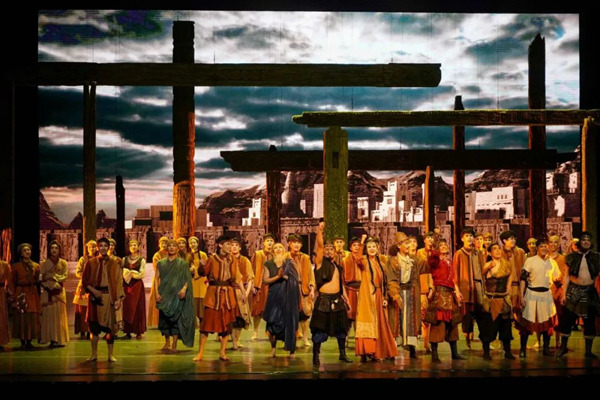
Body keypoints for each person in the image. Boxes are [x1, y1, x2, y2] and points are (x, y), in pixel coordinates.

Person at [194, 234, 245, 362]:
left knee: (226, 325)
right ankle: (200, 353)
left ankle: (222, 353)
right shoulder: (212, 259)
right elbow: (203, 273)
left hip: (228, 294)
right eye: (227, 244)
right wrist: (201, 266)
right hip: (213, 294)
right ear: (220, 245)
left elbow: (236, 277)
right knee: (206, 325)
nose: (230, 246)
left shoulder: (232, 260)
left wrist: (242, 291)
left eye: (231, 244)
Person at [310, 227, 352, 365]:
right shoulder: (320, 263)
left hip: (337, 300)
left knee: (341, 328)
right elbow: (320, 246)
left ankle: (342, 353)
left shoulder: (338, 267)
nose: (328, 251)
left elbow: (341, 286)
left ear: (335, 252)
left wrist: (347, 300)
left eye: (331, 249)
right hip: (323, 301)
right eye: (326, 249)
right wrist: (319, 232)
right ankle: (316, 355)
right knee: (319, 329)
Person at [557, 231, 600, 358]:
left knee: (589, 321)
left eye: (588, 240)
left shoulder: (596, 257)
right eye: (583, 240)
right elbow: (566, 276)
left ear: (591, 242)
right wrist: (564, 294)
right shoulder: (571, 257)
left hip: (589, 292)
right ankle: (563, 347)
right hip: (574, 291)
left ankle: (588, 351)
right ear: (579, 242)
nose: (586, 242)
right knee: (567, 320)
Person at [355, 237, 398, 362]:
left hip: (379, 295)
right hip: (367, 296)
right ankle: (366, 351)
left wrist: (385, 297)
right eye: (369, 247)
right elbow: (357, 259)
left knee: (381, 323)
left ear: (378, 248)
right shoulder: (364, 261)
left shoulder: (382, 264)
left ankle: (379, 351)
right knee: (367, 321)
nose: (372, 249)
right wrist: (362, 242)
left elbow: (384, 282)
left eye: (374, 246)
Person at [82, 237, 124, 362]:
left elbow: (118, 281)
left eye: (106, 246)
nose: (103, 248)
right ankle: (94, 354)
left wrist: (119, 299)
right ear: (97, 248)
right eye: (101, 246)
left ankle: (110, 354)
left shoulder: (114, 263)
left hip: (109, 297)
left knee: (110, 328)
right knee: (94, 328)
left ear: (109, 247)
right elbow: (85, 281)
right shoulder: (91, 263)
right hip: (95, 298)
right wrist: (94, 291)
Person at [387, 232, 428, 359]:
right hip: (399, 292)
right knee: (396, 321)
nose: (409, 245)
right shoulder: (393, 261)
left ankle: (412, 348)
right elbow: (391, 279)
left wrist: (431, 251)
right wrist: (395, 295)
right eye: (406, 243)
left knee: (411, 320)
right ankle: (392, 350)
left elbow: (426, 267)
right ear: (399, 246)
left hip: (411, 293)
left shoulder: (414, 260)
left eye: (409, 243)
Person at [423, 240, 463, 362]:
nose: (444, 247)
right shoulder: (435, 261)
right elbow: (431, 260)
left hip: (450, 294)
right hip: (440, 294)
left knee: (453, 324)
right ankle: (435, 355)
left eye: (445, 245)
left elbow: (454, 279)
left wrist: (457, 291)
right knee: (438, 325)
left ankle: (454, 353)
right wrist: (435, 249)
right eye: (441, 245)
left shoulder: (450, 262)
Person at [519, 237, 559, 358]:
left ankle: (546, 348)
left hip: (546, 294)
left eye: (545, 246)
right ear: (537, 248)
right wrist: (521, 296)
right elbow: (523, 278)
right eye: (541, 246)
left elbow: (557, 278)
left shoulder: (552, 262)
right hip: (532, 293)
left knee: (547, 323)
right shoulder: (530, 261)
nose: (544, 248)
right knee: (527, 323)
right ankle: (522, 349)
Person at [155, 239, 195, 353]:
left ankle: (174, 344)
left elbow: (187, 279)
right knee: (164, 320)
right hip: (164, 294)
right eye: (169, 246)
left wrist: (184, 289)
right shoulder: (161, 263)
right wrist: (157, 292)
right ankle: (167, 342)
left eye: (174, 246)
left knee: (176, 320)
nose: (172, 247)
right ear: (166, 249)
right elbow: (156, 278)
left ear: (177, 249)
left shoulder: (182, 263)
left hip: (177, 295)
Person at [262, 242, 300, 358]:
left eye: (280, 247)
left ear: (284, 250)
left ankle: (292, 350)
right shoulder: (268, 263)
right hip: (274, 296)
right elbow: (265, 281)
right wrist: (277, 277)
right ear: (272, 251)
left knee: (289, 322)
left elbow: (296, 279)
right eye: (275, 248)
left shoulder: (289, 262)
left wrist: (284, 277)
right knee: (272, 323)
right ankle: (273, 349)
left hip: (288, 297)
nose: (278, 249)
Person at [479, 243, 514, 360]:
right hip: (491, 299)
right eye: (494, 249)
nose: (498, 251)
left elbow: (510, 275)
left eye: (499, 248)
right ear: (489, 252)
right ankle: (486, 351)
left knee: (506, 326)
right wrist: (487, 268)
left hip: (503, 298)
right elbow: (481, 276)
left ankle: (507, 351)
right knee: (489, 327)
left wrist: (508, 288)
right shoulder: (488, 264)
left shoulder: (507, 264)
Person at [453, 228, 484, 351]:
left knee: (480, 315)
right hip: (465, 289)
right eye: (467, 236)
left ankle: (482, 341)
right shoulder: (459, 254)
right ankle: (467, 341)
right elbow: (455, 273)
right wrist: (457, 290)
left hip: (478, 288)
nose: (469, 238)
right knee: (466, 316)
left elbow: (482, 270)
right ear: (462, 238)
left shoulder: (478, 253)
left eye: (471, 236)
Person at [9, 243, 41, 349]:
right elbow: (12, 281)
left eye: (29, 250)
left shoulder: (36, 266)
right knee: (22, 316)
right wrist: (12, 294)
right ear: (21, 253)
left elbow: (38, 279)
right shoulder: (16, 266)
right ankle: (22, 340)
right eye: (25, 250)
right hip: (20, 292)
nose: (27, 252)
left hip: (32, 292)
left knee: (31, 316)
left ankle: (30, 340)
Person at [39, 240, 69, 348]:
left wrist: (54, 277)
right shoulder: (44, 263)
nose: (54, 250)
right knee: (49, 316)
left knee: (59, 316)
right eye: (52, 248)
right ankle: (51, 338)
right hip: (48, 291)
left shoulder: (63, 263)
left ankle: (60, 339)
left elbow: (64, 276)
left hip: (59, 291)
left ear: (59, 250)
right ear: (49, 250)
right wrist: (49, 284)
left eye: (56, 248)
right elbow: (41, 277)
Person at [287, 234, 315, 347]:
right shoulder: (285, 257)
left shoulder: (305, 258)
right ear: (289, 244)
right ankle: (291, 338)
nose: (296, 245)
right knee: (290, 315)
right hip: (289, 289)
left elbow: (310, 274)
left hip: (303, 288)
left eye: (298, 242)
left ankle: (305, 337)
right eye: (294, 242)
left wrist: (312, 289)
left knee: (305, 314)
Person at [499, 230, 527, 342]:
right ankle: (505, 343)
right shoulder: (499, 252)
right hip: (506, 289)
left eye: (514, 238)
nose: (514, 240)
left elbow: (525, 270)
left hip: (519, 287)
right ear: (504, 241)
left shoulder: (520, 252)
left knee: (521, 316)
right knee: (505, 316)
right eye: (511, 238)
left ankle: (523, 345)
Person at [230, 237, 254, 350]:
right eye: (232, 245)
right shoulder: (226, 260)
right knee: (230, 316)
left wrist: (246, 293)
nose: (234, 247)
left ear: (240, 248)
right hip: (229, 290)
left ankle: (237, 339)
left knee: (240, 317)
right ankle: (233, 341)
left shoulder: (245, 260)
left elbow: (250, 278)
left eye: (236, 245)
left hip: (241, 291)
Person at [250, 233, 275, 340]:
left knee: (273, 309)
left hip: (272, 285)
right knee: (258, 310)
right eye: (267, 241)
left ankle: (270, 331)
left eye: (271, 241)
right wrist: (253, 284)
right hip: (260, 285)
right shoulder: (258, 254)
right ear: (263, 242)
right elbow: (251, 269)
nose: (269, 243)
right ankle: (255, 331)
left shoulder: (276, 254)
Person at [122, 239, 147, 340]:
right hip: (127, 285)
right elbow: (121, 271)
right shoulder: (124, 259)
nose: (133, 247)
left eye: (135, 245)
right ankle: (127, 331)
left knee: (137, 307)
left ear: (138, 247)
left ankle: (138, 331)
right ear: (129, 247)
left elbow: (142, 274)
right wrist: (127, 274)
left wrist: (131, 273)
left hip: (137, 286)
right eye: (131, 245)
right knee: (127, 307)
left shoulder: (141, 260)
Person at [342, 235, 366, 339]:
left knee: (361, 313)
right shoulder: (345, 260)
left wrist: (363, 242)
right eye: (354, 245)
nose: (356, 247)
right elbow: (343, 278)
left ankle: (359, 335)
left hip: (361, 288)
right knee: (349, 313)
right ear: (350, 248)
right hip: (350, 289)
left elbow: (359, 260)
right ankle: (346, 336)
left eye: (358, 245)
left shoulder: (362, 260)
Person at [416, 231, 435, 353]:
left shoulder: (435, 253)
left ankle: (429, 343)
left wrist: (432, 286)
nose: (430, 240)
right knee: (423, 318)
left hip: (433, 284)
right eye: (428, 238)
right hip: (423, 287)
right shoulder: (419, 253)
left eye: (432, 238)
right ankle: (426, 344)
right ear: (424, 240)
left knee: (431, 317)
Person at [548, 235, 568, 350]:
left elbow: (566, 275)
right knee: (545, 317)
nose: (553, 244)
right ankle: (542, 342)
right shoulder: (544, 258)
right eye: (551, 242)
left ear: (559, 244)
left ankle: (558, 340)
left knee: (559, 316)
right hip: (546, 290)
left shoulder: (563, 259)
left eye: (555, 242)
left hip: (558, 290)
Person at [74, 240, 96, 338]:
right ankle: (83, 330)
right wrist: (86, 277)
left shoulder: (98, 259)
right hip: (83, 286)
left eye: (94, 247)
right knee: (82, 310)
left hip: (94, 286)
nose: (92, 249)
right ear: (87, 248)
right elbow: (78, 272)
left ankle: (90, 330)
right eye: (90, 247)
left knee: (92, 310)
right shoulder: (83, 259)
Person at [148, 236, 169, 328]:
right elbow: (157, 268)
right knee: (159, 300)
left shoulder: (170, 253)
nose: (164, 245)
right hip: (159, 279)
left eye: (165, 243)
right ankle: (158, 322)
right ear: (159, 244)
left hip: (170, 280)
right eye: (162, 243)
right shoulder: (157, 255)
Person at [189, 236, 208, 327]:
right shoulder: (188, 255)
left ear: (197, 244)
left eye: (194, 242)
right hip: (192, 280)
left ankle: (202, 320)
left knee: (202, 299)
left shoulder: (202, 254)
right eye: (191, 243)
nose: (193, 244)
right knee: (193, 300)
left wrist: (197, 270)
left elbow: (206, 267)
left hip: (201, 280)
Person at [0, 259, 9, 350]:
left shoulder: (4, 265)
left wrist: (12, 293)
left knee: (1, 316)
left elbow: (10, 279)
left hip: (1, 292)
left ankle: (1, 340)